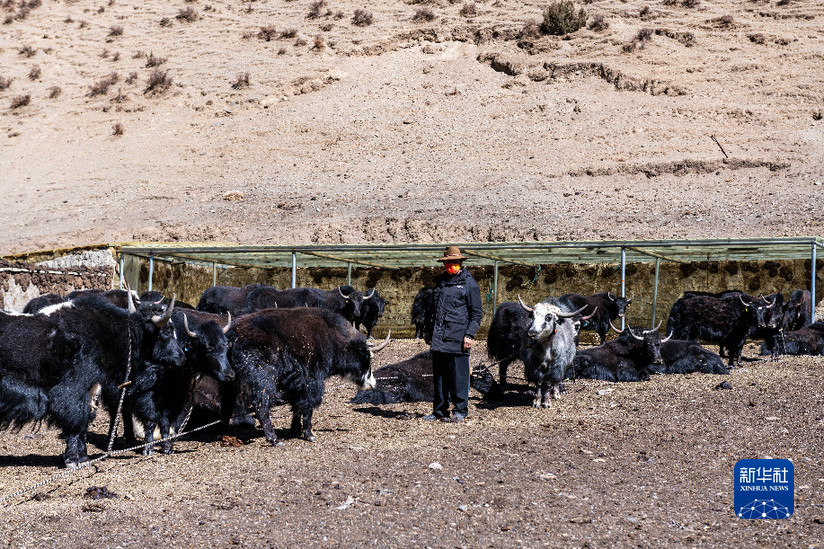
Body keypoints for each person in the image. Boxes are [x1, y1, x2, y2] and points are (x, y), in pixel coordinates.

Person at [423, 246, 483, 422]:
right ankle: (439, 411)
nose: (451, 266)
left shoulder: (469, 284)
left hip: (458, 338)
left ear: (460, 263)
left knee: (460, 376)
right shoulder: (440, 283)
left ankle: (460, 410)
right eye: (448, 263)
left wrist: (469, 335)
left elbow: (476, 313)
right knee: (440, 376)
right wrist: (428, 330)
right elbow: (432, 310)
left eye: (454, 263)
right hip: (439, 337)